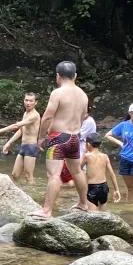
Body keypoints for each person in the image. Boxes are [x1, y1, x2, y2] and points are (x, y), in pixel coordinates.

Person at [34, 60, 90, 217]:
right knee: (77, 172)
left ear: (58, 76)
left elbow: (47, 117)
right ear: (75, 76)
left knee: (54, 175)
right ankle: (83, 204)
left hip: (58, 138)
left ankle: (46, 210)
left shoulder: (57, 93)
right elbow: (84, 116)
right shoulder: (83, 95)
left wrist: (41, 137)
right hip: (74, 138)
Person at [0, 93, 42, 184]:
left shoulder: (34, 115)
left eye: (31, 101)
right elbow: (21, 130)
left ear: (35, 102)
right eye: (26, 100)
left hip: (31, 147)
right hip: (23, 147)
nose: (28, 103)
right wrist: (9, 143)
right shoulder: (26, 113)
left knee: (28, 176)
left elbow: (16, 126)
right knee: (15, 175)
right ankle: (21, 191)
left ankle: (32, 196)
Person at [82, 133, 122, 209]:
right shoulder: (105, 156)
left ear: (88, 144)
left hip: (92, 188)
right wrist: (117, 190)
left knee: (92, 216)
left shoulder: (87, 156)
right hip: (104, 188)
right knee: (103, 215)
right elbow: (112, 174)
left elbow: (78, 170)